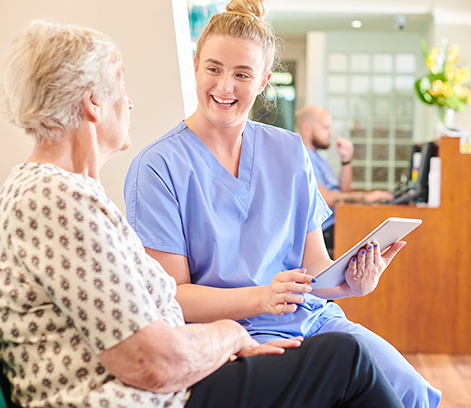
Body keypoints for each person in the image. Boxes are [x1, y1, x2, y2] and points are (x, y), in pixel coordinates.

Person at [0, 19, 407, 408]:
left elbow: (142, 331)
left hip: (173, 378)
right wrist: (230, 336)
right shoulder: (56, 198)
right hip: (151, 395)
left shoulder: (67, 194)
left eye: (243, 74)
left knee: (359, 364)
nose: (129, 100)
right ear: (93, 103)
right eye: (120, 84)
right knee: (344, 357)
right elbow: (152, 361)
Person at [124, 0, 442, 407]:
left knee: (411, 390)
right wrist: (261, 298)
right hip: (238, 333)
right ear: (196, 65)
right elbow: (172, 298)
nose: (224, 87)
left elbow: (312, 270)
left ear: (263, 81)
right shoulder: (158, 167)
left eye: (242, 74)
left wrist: (353, 284)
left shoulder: (290, 151)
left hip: (314, 320)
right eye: (214, 69)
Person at [295, 106, 394, 252]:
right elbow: (326, 199)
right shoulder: (303, 157)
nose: (331, 133)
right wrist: (366, 197)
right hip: (323, 231)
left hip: (338, 222)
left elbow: (343, 191)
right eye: (325, 128)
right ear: (307, 128)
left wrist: (346, 160)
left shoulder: (320, 159)